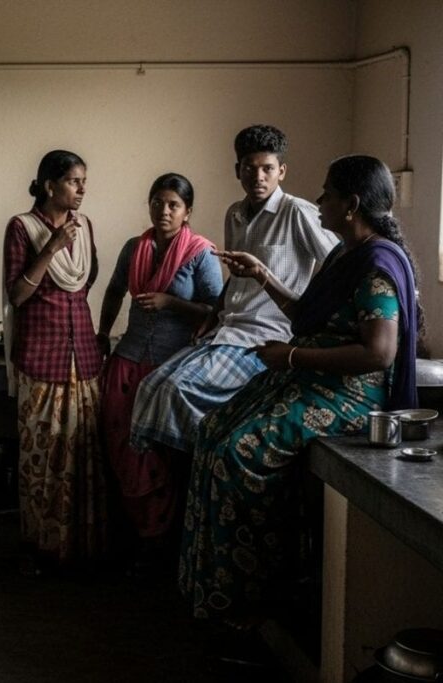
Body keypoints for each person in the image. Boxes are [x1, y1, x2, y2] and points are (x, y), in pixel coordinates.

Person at [180, 154, 421, 626]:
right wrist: (263, 277)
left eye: (327, 193)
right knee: (211, 431)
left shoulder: (376, 265)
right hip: (309, 378)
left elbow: (378, 354)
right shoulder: (342, 256)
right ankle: (212, 590)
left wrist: (291, 357)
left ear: (351, 205)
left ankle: (257, 597)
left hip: (348, 394)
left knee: (237, 452)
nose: (319, 200)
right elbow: (306, 319)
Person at [130, 124, 338, 462]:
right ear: (237, 170)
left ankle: (204, 465)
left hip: (264, 335)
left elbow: (337, 263)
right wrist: (212, 315)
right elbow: (236, 277)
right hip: (226, 330)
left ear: (281, 171)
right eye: (249, 168)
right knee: (150, 387)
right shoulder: (235, 214)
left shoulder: (297, 213)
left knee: (175, 390)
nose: (258, 176)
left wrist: (312, 316)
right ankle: (194, 470)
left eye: (268, 168)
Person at [96, 173, 222, 563]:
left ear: (187, 212)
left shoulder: (201, 253)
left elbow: (217, 311)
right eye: (157, 202)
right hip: (128, 360)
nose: (163, 211)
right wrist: (102, 333)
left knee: (158, 454)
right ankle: (130, 535)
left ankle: (158, 542)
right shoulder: (135, 247)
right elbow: (115, 289)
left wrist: (172, 304)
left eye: (173, 205)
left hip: (170, 369)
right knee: (119, 446)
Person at [2, 149, 103, 575]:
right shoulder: (22, 228)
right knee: (42, 458)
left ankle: (83, 549)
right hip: (42, 359)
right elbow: (18, 295)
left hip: (84, 356)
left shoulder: (86, 227)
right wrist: (52, 248)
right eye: (74, 181)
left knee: (83, 455)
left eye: (83, 181)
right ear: (49, 185)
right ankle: (43, 548)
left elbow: (85, 283)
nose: (82, 188)